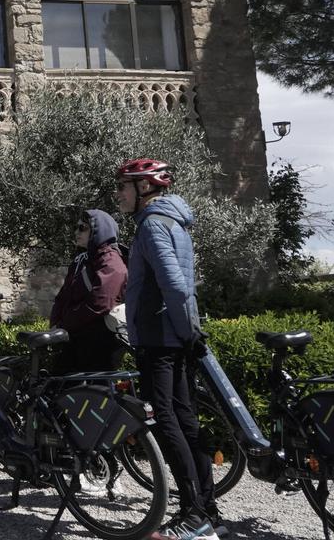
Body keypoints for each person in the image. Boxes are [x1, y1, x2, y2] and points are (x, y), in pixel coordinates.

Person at [116, 159, 223, 540]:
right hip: (174, 336)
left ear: (144, 188)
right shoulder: (174, 221)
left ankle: (194, 515)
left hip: (159, 338)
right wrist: (189, 332)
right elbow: (183, 286)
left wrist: (185, 330)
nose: (119, 194)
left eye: (124, 187)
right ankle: (209, 511)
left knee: (167, 421)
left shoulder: (151, 225)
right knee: (185, 418)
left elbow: (175, 285)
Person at [49, 210, 128, 373]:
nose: (76, 232)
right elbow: (63, 297)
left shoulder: (111, 262)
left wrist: (64, 324)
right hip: (76, 339)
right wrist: (56, 324)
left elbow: (100, 302)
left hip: (99, 343)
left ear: (99, 230)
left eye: (82, 228)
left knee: (93, 394)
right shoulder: (81, 261)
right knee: (60, 390)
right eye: (76, 227)